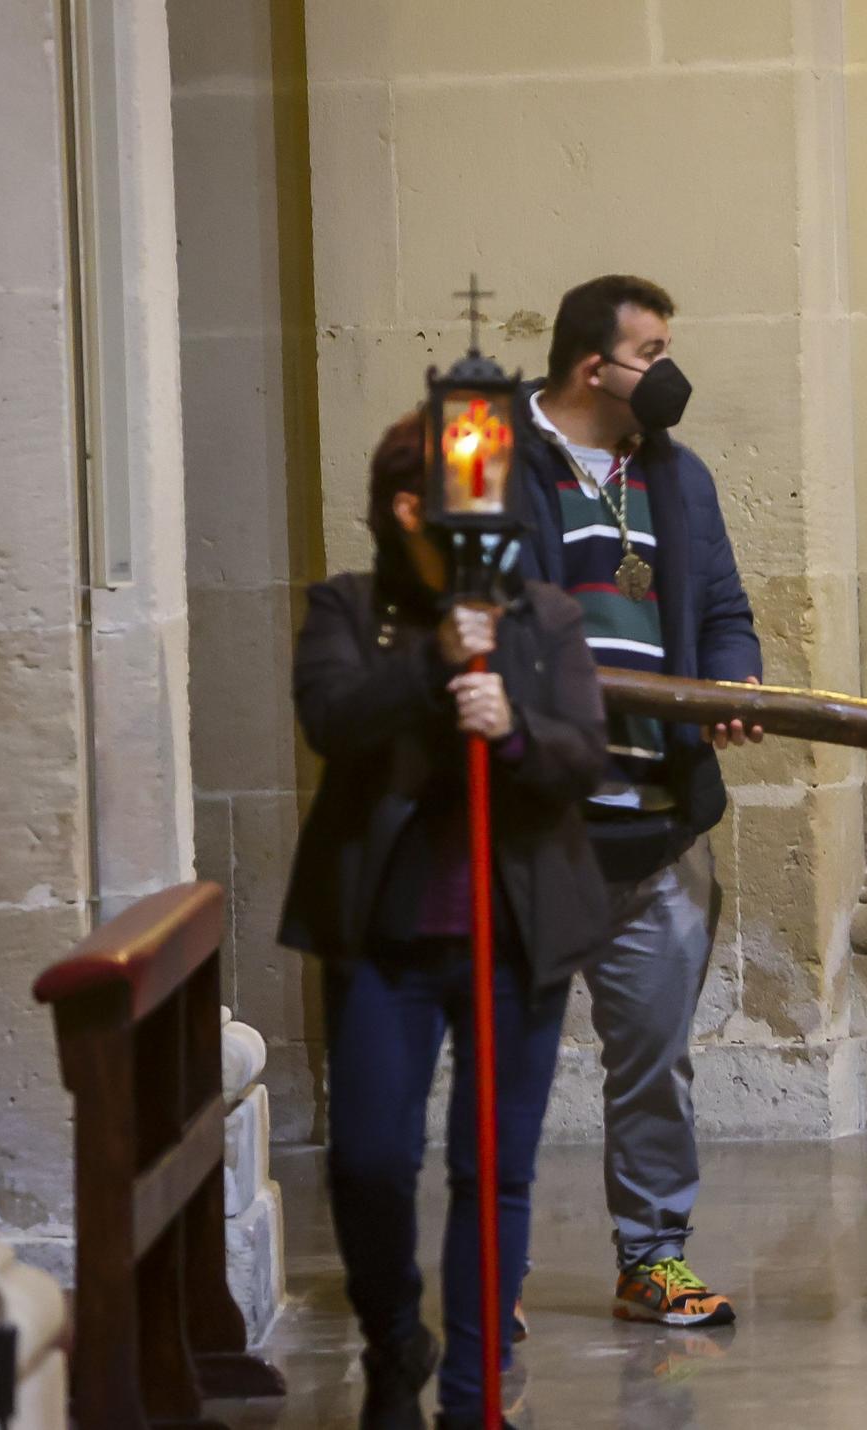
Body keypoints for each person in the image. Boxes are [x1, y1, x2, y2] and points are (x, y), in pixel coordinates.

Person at [280, 411, 609, 1430]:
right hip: (386, 935)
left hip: (515, 933)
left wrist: (511, 730)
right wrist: (433, 662)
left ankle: (471, 1399)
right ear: (409, 507)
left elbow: (579, 756)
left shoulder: (543, 614)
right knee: (370, 1156)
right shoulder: (347, 606)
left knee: (492, 1168)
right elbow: (333, 718)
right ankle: (394, 1340)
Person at [508, 274, 761, 1329]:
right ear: (589, 367)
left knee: (655, 1062)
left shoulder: (680, 477)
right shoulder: (490, 460)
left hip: (656, 822)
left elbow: (722, 607)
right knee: (502, 1063)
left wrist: (735, 683)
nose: (667, 370)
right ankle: (490, 1271)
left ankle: (652, 1253)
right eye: (649, 351)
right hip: (533, 825)